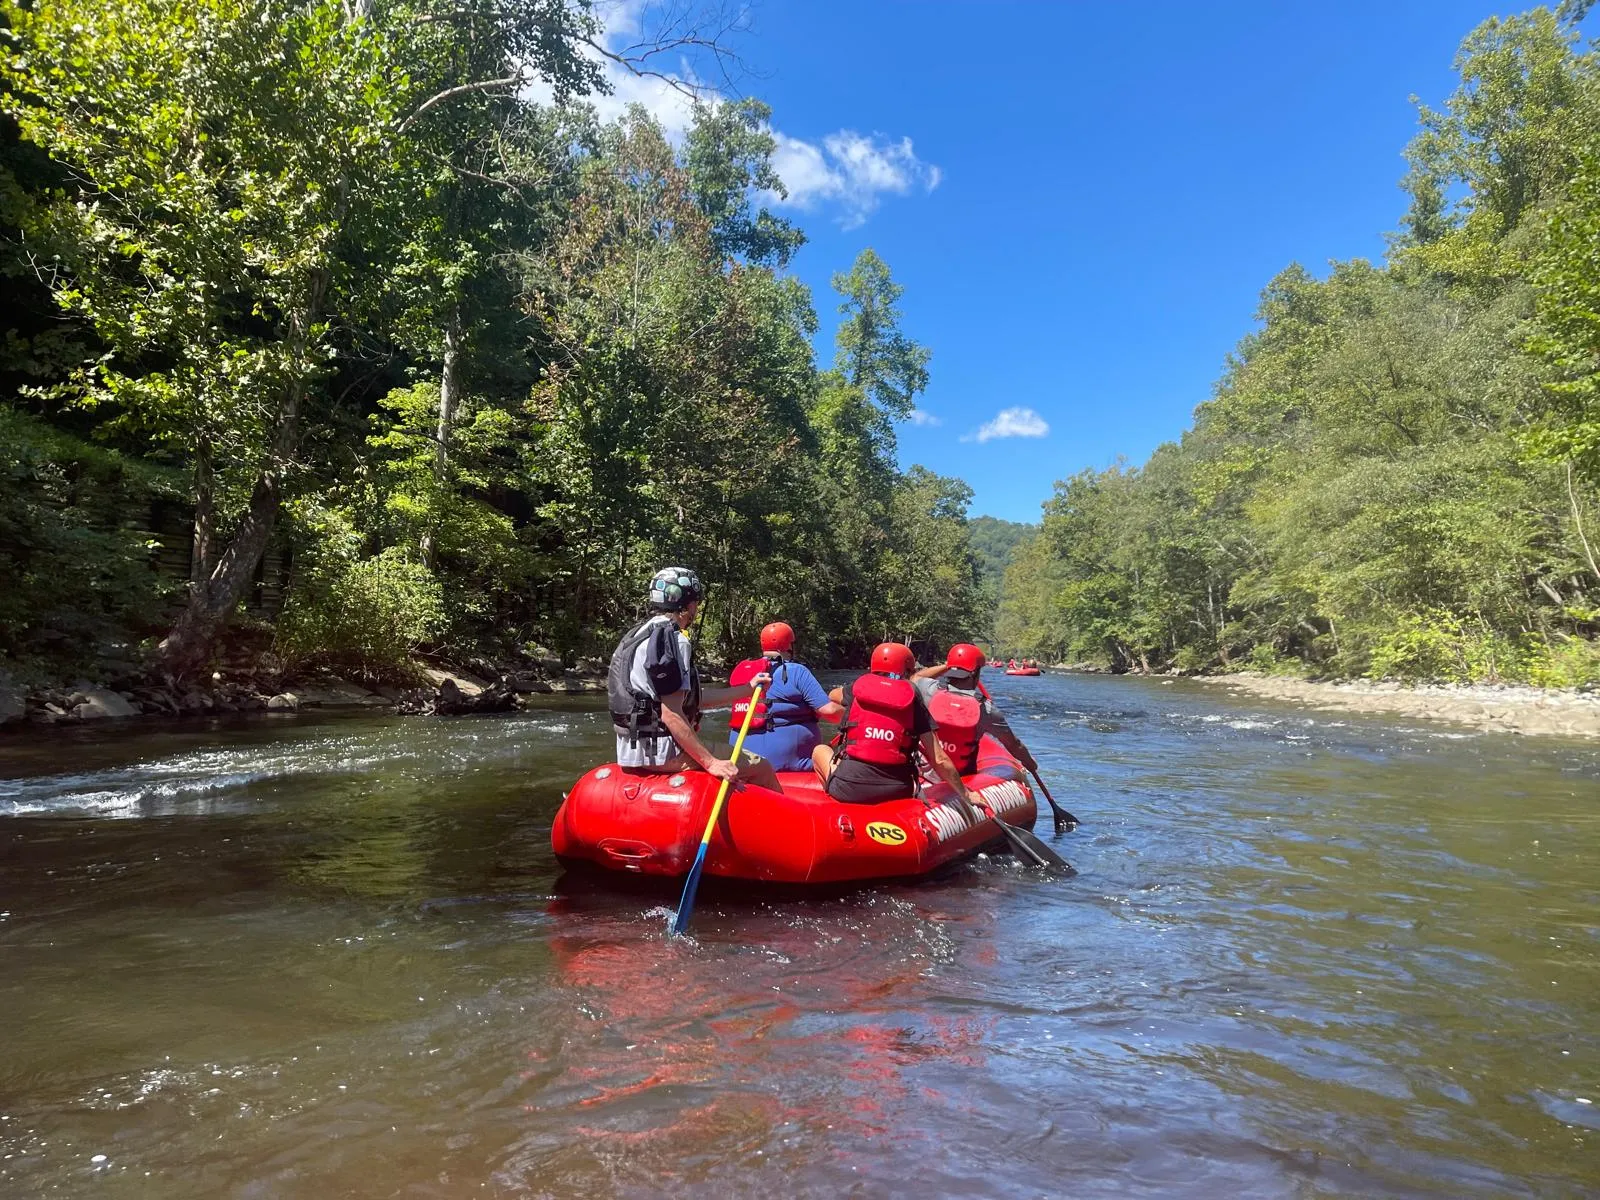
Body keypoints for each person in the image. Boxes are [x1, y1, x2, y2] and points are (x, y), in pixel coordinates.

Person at [607, 566, 781, 791]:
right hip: (664, 754)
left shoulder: (638, 635)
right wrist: (711, 763)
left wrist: (748, 689)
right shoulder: (676, 641)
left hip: (630, 753)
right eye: (696, 604)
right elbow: (671, 714)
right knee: (762, 767)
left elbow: (691, 699)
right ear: (689, 605)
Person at [812, 642, 977, 808]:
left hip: (849, 788)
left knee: (820, 750)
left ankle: (834, 806)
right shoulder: (913, 698)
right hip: (898, 791)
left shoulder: (859, 688)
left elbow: (833, 695)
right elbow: (939, 759)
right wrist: (966, 794)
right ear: (907, 671)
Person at [726, 622, 844, 771]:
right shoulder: (797, 671)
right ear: (790, 646)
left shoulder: (744, 671)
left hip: (741, 760)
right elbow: (830, 711)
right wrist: (853, 717)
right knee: (835, 759)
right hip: (789, 763)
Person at [913, 643, 1040, 776]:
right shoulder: (986, 709)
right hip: (961, 780)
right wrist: (1029, 762)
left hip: (923, 775)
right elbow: (1014, 745)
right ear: (975, 673)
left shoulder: (928, 690)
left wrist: (949, 665)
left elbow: (916, 677)